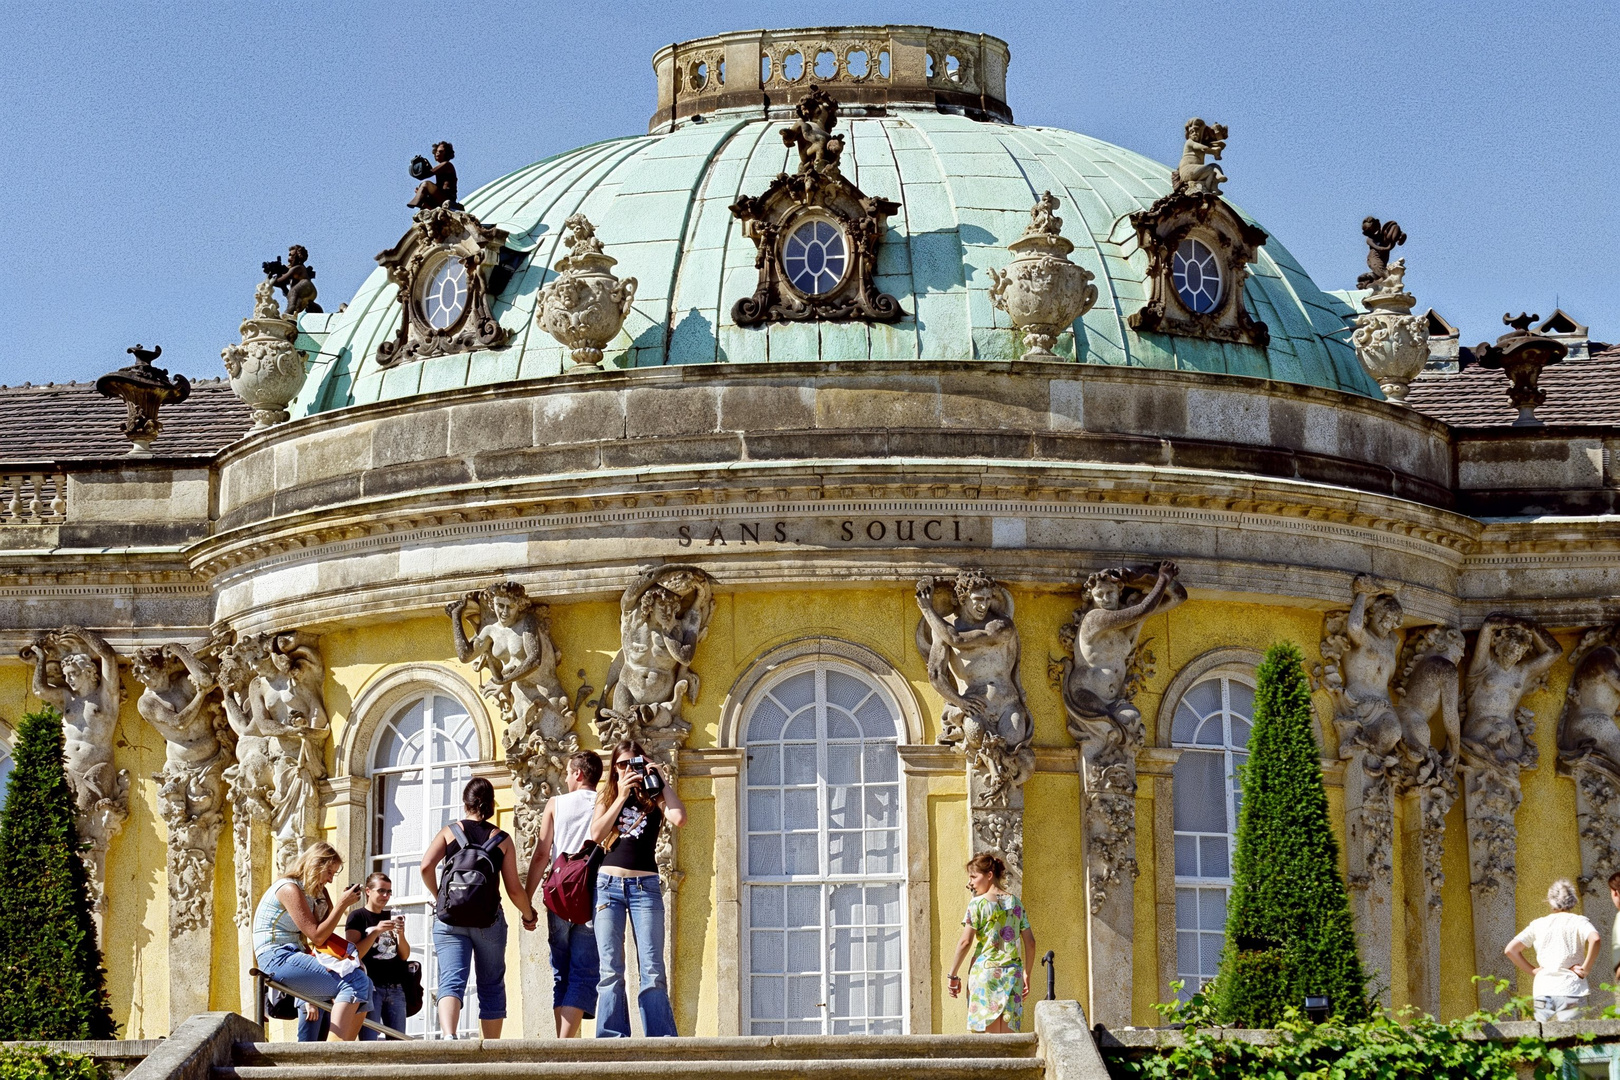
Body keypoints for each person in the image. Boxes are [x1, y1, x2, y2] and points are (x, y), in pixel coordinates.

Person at [420, 776, 539, 1039]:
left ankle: (449, 1038)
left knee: (451, 980)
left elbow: (426, 866)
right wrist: (528, 914)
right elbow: (514, 889)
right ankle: (492, 1049)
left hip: (450, 919)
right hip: (488, 921)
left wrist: (439, 894)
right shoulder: (503, 839)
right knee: (492, 984)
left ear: (466, 803)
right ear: (492, 804)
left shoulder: (450, 831)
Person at [588, 740, 686, 1038]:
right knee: (611, 970)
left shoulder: (653, 797)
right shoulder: (607, 796)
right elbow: (596, 833)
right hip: (608, 887)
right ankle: (611, 1039)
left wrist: (660, 779)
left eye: (633, 763)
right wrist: (620, 795)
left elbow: (679, 817)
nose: (627, 769)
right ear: (613, 768)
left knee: (653, 970)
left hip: (645, 887)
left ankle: (661, 1039)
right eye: (620, 764)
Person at [251, 841, 373, 1041]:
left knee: (364, 983)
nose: (331, 880)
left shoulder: (316, 891)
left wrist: (330, 904)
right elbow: (316, 935)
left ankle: (343, 1053)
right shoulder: (289, 889)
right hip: (276, 956)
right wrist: (341, 905)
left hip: (297, 953)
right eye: (330, 873)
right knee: (355, 980)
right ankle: (333, 1054)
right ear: (316, 866)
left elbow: (324, 934)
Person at [526, 750, 604, 1037]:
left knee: (561, 973)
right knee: (583, 972)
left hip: (559, 896)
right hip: (590, 894)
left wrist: (526, 902)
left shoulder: (555, 804)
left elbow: (541, 855)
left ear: (579, 774)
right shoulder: (605, 802)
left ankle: (561, 1045)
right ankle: (565, 1045)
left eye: (569, 773)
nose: (567, 779)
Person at [946, 852, 1036, 1033]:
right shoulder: (1016, 904)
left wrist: (953, 975)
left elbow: (965, 942)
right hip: (1013, 975)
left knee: (988, 1042)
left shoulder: (977, 904)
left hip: (986, 975)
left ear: (988, 875)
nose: (970, 883)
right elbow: (1031, 943)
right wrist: (1027, 973)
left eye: (973, 876)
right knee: (1010, 1041)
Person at [1506, 878, 1601, 1021]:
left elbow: (1511, 950)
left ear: (1550, 900)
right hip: (1570, 988)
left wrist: (1533, 970)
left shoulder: (1538, 924)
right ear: (1572, 899)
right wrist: (1585, 969)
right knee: (1571, 1037)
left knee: (1542, 1037)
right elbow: (1595, 939)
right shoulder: (1579, 921)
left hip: (1543, 988)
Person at [345, 873, 411, 1040]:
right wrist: (375, 932)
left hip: (396, 987)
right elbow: (352, 954)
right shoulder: (357, 916)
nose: (385, 896)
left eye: (389, 892)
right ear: (368, 891)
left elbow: (404, 955)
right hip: (371, 987)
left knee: (398, 1042)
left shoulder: (390, 915)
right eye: (381, 891)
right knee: (369, 1041)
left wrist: (400, 934)